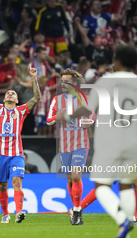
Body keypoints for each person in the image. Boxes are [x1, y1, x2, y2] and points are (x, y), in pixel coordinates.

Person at [59, 45, 137, 238]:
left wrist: (67, 114)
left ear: (116, 62)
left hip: (109, 142)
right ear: (136, 64)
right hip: (133, 144)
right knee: (126, 185)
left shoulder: (106, 82)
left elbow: (88, 108)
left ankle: (122, 220)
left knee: (102, 187)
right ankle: (127, 226)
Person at [0, 63, 41, 224]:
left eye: (13, 93)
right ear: (4, 98)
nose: (11, 94)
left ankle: (19, 212)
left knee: (17, 182)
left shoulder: (21, 111)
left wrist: (34, 79)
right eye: (8, 93)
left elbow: (36, 98)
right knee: (2, 186)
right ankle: (5, 213)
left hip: (16, 154)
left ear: (17, 99)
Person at [47, 69, 93, 225]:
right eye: (62, 81)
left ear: (74, 83)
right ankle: (75, 209)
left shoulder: (85, 100)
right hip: (64, 145)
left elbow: (93, 118)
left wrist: (90, 123)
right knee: (69, 179)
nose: (63, 84)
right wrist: (56, 117)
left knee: (76, 176)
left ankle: (77, 210)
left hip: (81, 143)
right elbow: (48, 120)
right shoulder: (56, 100)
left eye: (67, 81)